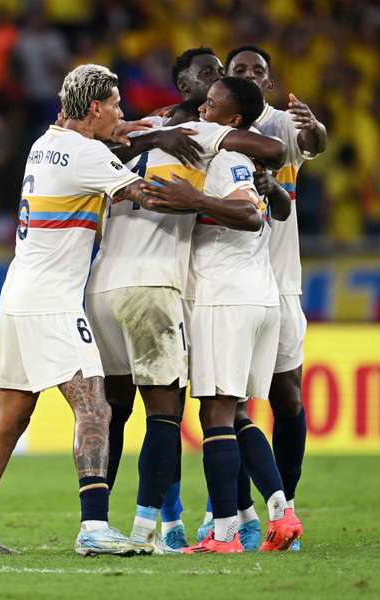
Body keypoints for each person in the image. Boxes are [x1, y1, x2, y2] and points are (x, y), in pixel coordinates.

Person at [0, 64, 185, 556]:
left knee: (11, 417)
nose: (121, 113)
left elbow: (111, 139)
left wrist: (136, 129)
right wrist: (205, 198)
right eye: (116, 105)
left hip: (19, 293)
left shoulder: (47, 142)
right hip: (51, 301)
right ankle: (94, 527)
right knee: (95, 405)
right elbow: (141, 192)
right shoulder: (85, 154)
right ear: (95, 108)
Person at [86, 105, 285, 552]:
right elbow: (271, 152)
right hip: (152, 283)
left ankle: (94, 523)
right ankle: (147, 532)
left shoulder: (124, 139)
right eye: (209, 82)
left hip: (99, 284)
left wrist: (150, 135)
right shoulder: (201, 136)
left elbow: (93, 144)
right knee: (167, 412)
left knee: (114, 412)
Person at [145, 77, 302, 554]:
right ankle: (282, 512)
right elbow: (271, 208)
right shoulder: (240, 161)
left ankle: (224, 535)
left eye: (211, 105)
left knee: (215, 413)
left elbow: (251, 216)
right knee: (234, 414)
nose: (201, 109)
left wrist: (192, 200)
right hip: (257, 295)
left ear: (233, 120)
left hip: (224, 298)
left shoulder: (226, 158)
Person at [220, 45, 329, 550]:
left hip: (281, 280)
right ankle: (234, 513)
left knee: (287, 398)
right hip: (228, 282)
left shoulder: (283, 125)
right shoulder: (210, 127)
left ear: (268, 82)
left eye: (256, 71)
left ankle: (286, 504)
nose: (247, 75)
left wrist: (314, 126)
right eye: (238, 69)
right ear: (224, 77)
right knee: (230, 403)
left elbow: (314, 142)